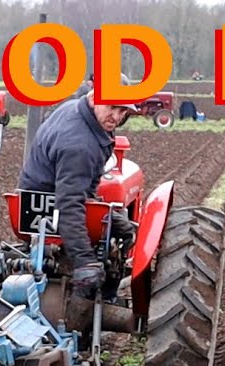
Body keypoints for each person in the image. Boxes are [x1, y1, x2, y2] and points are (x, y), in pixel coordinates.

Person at [18, 90, 138, 302]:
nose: (117, 117)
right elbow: (68, 204)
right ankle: (101, 300)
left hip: (34, 196)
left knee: (124, 229)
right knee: (119, 238)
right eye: (112, 107)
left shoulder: (75, 108)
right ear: (93, 99)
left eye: (122, 111)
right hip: (56, 204)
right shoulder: (80, 145)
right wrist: (84, 260)